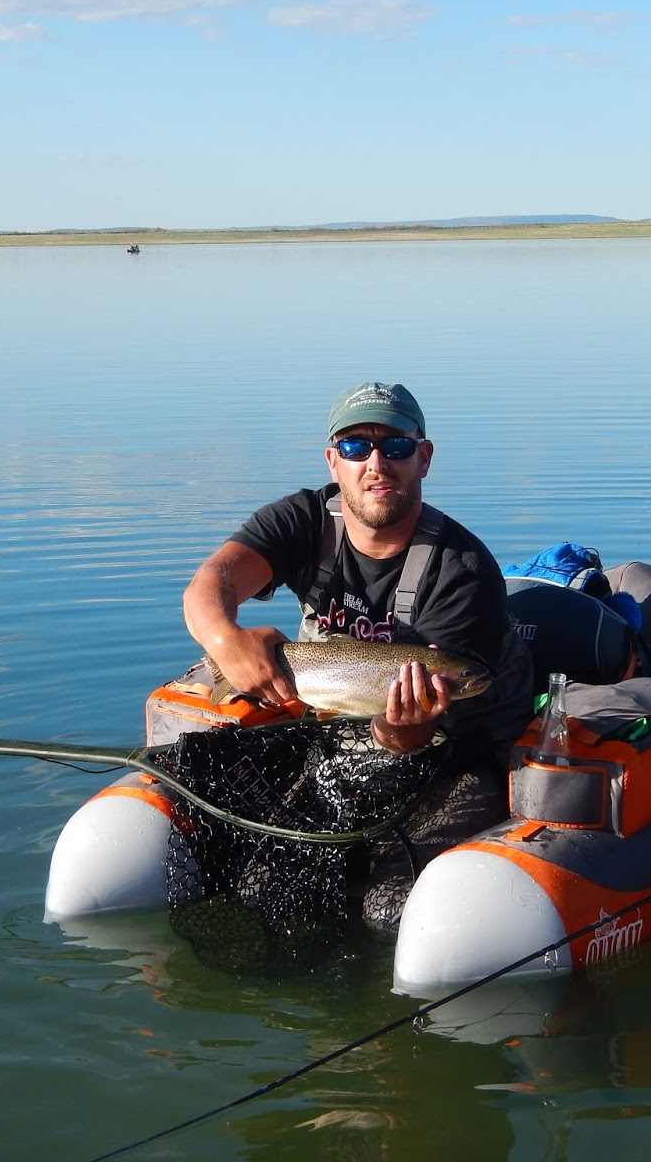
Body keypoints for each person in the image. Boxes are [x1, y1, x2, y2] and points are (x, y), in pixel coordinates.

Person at [183, 381, 533, 931]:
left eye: (394, 447)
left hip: (453, 758)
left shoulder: (462, 571)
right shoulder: (301, 521)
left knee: (388, 912)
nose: (376, 464)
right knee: (262, 885)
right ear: (333, 460)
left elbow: (413, 739)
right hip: (336, 735)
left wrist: (401, 729)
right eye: (355, 448)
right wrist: (228, 645)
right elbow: (211, 583)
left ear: (423, 458)